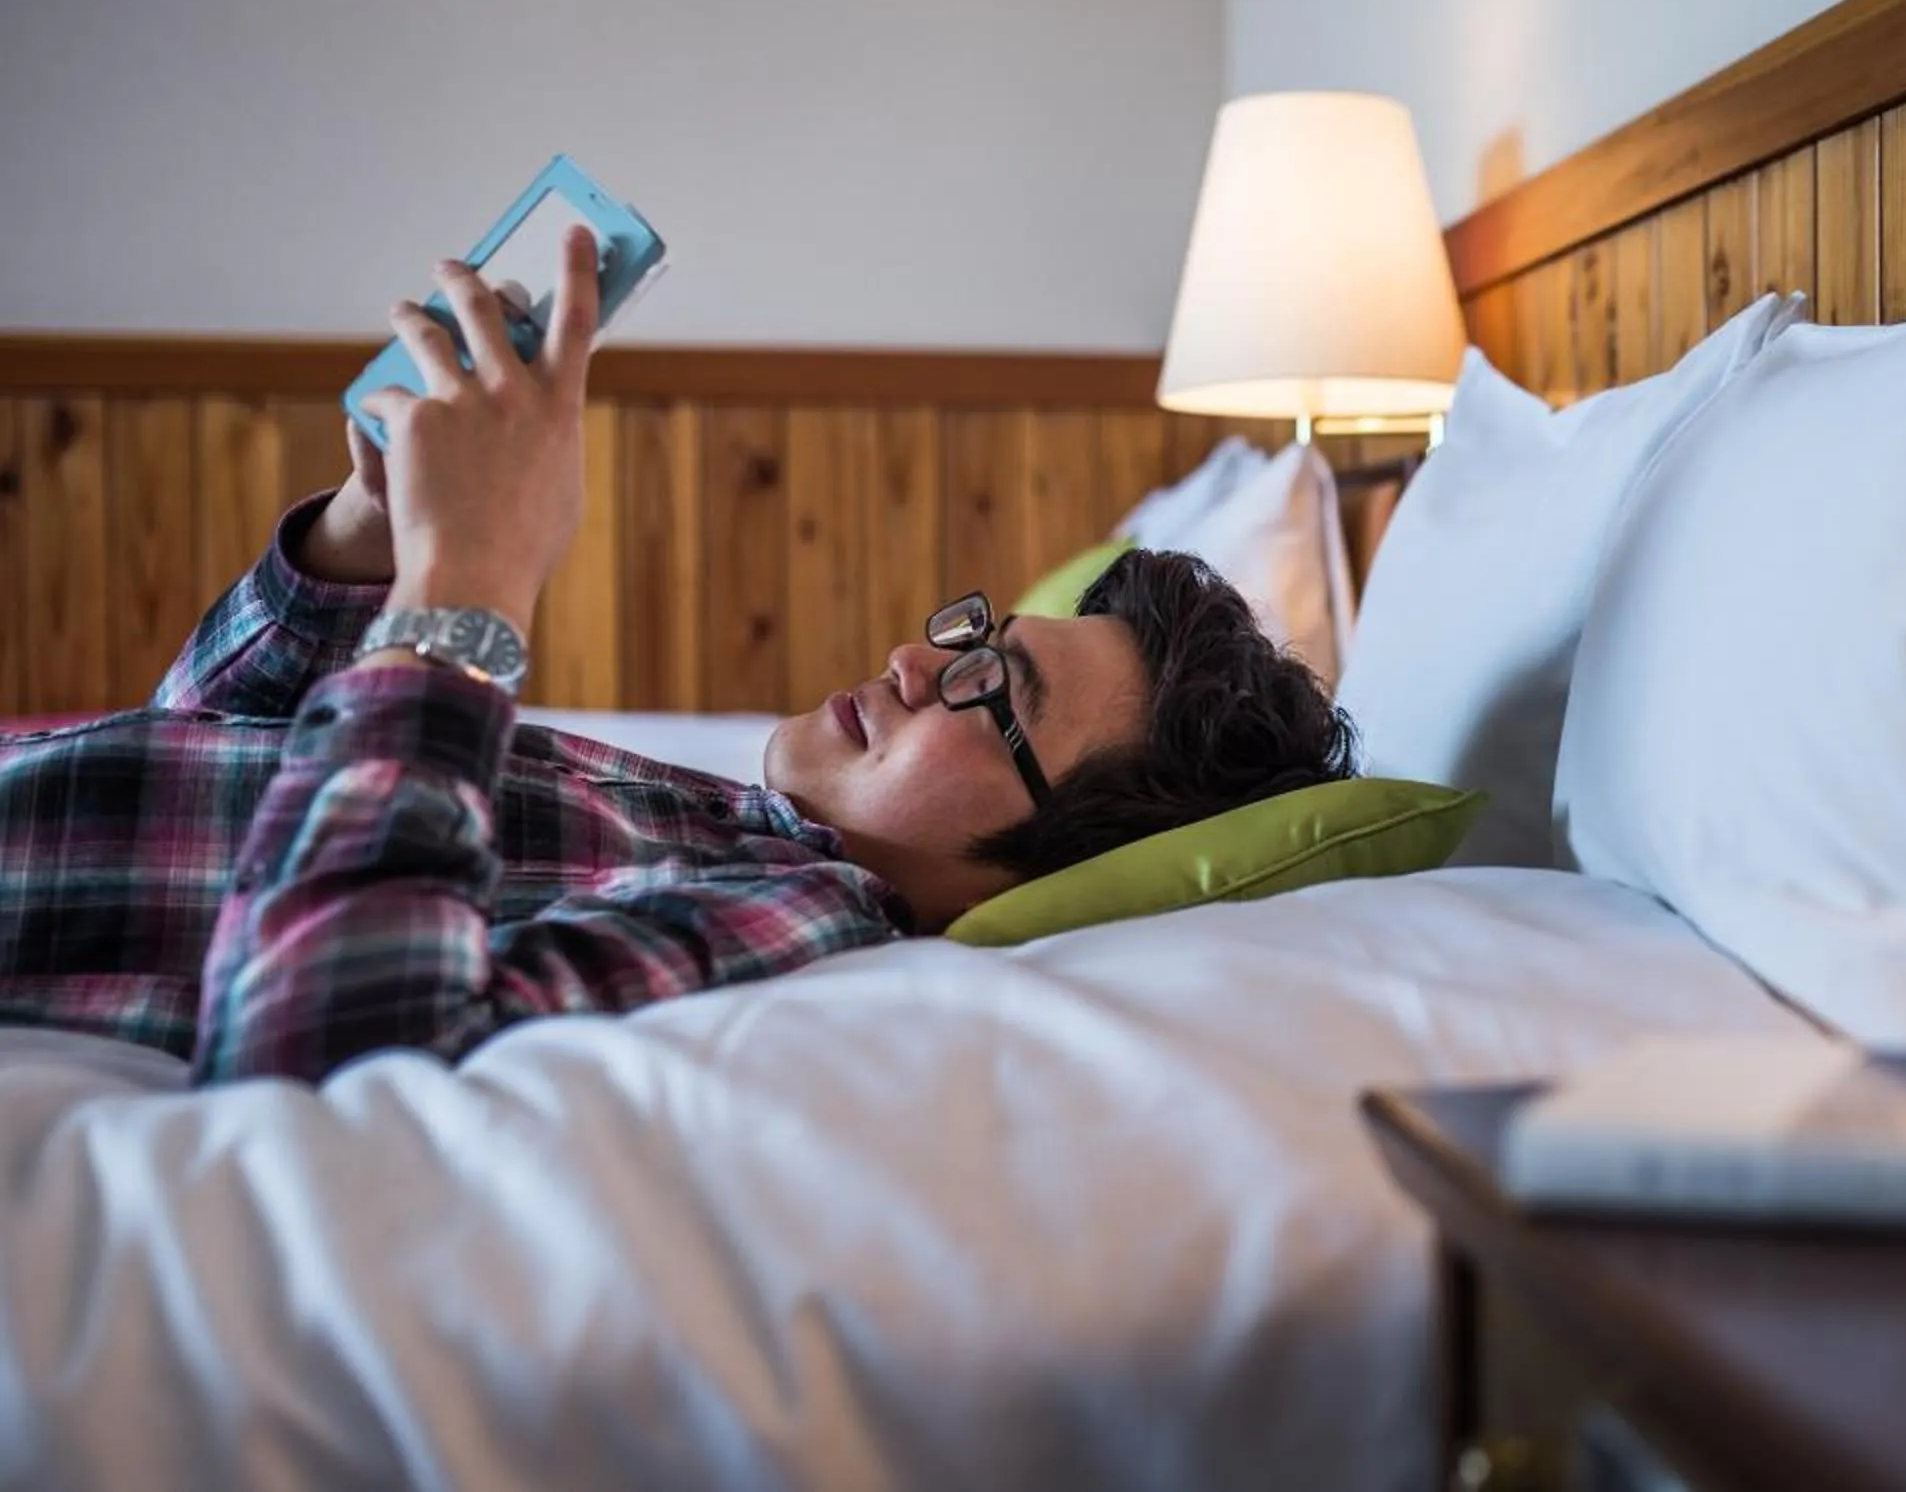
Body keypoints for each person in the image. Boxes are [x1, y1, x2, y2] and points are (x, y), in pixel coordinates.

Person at [0, 230, 1355, 1084]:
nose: (910, 658)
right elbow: (182, 756)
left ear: (1060, 855)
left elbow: (316, 1062)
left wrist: (463, 593)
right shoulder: (724, 812)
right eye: (975, 637)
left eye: (993, 690)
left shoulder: (803, 918)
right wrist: (367, 537)